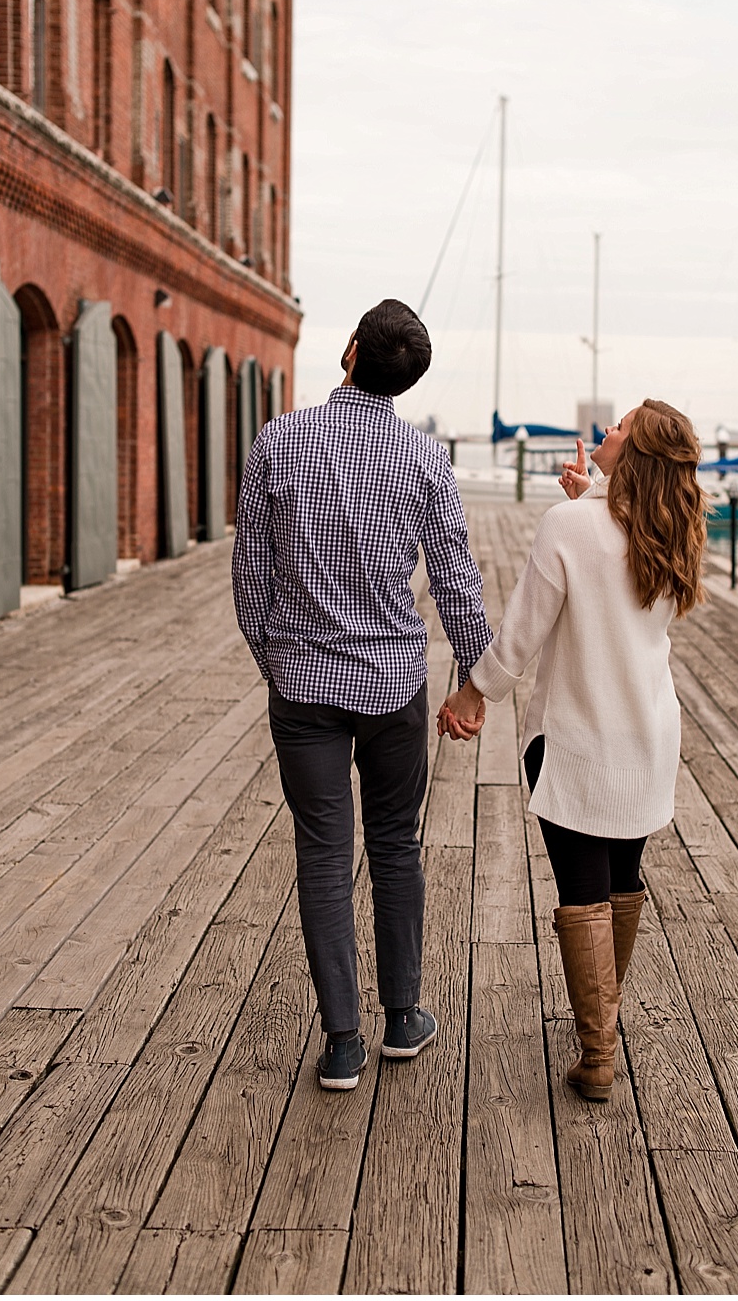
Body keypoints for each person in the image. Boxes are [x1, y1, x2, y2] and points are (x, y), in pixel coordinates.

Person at [232, 298, 493, 1093]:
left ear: (348, 351)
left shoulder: (278, 440)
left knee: (322, 850)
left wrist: (274, 658)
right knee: (393, 844)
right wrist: (472, 683)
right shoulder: (423, 460)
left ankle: (342, 1042)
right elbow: (455, 578)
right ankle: (404, 1020)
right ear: (406, 381)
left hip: (302, 685)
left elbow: (251, 576)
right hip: (390, 690)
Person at [441, 402, 705, 1101]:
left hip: (577, 737)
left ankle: (597, 1057)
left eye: (619, 427)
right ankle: (603, 1025)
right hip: (648, 735)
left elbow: (524, 629)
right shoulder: (670, 529)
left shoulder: (572, 526)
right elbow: (613, 551)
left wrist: (474, 695)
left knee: (582, 893)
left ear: (636, 453)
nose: (606, 433)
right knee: (621, 880)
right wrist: (594, 494)